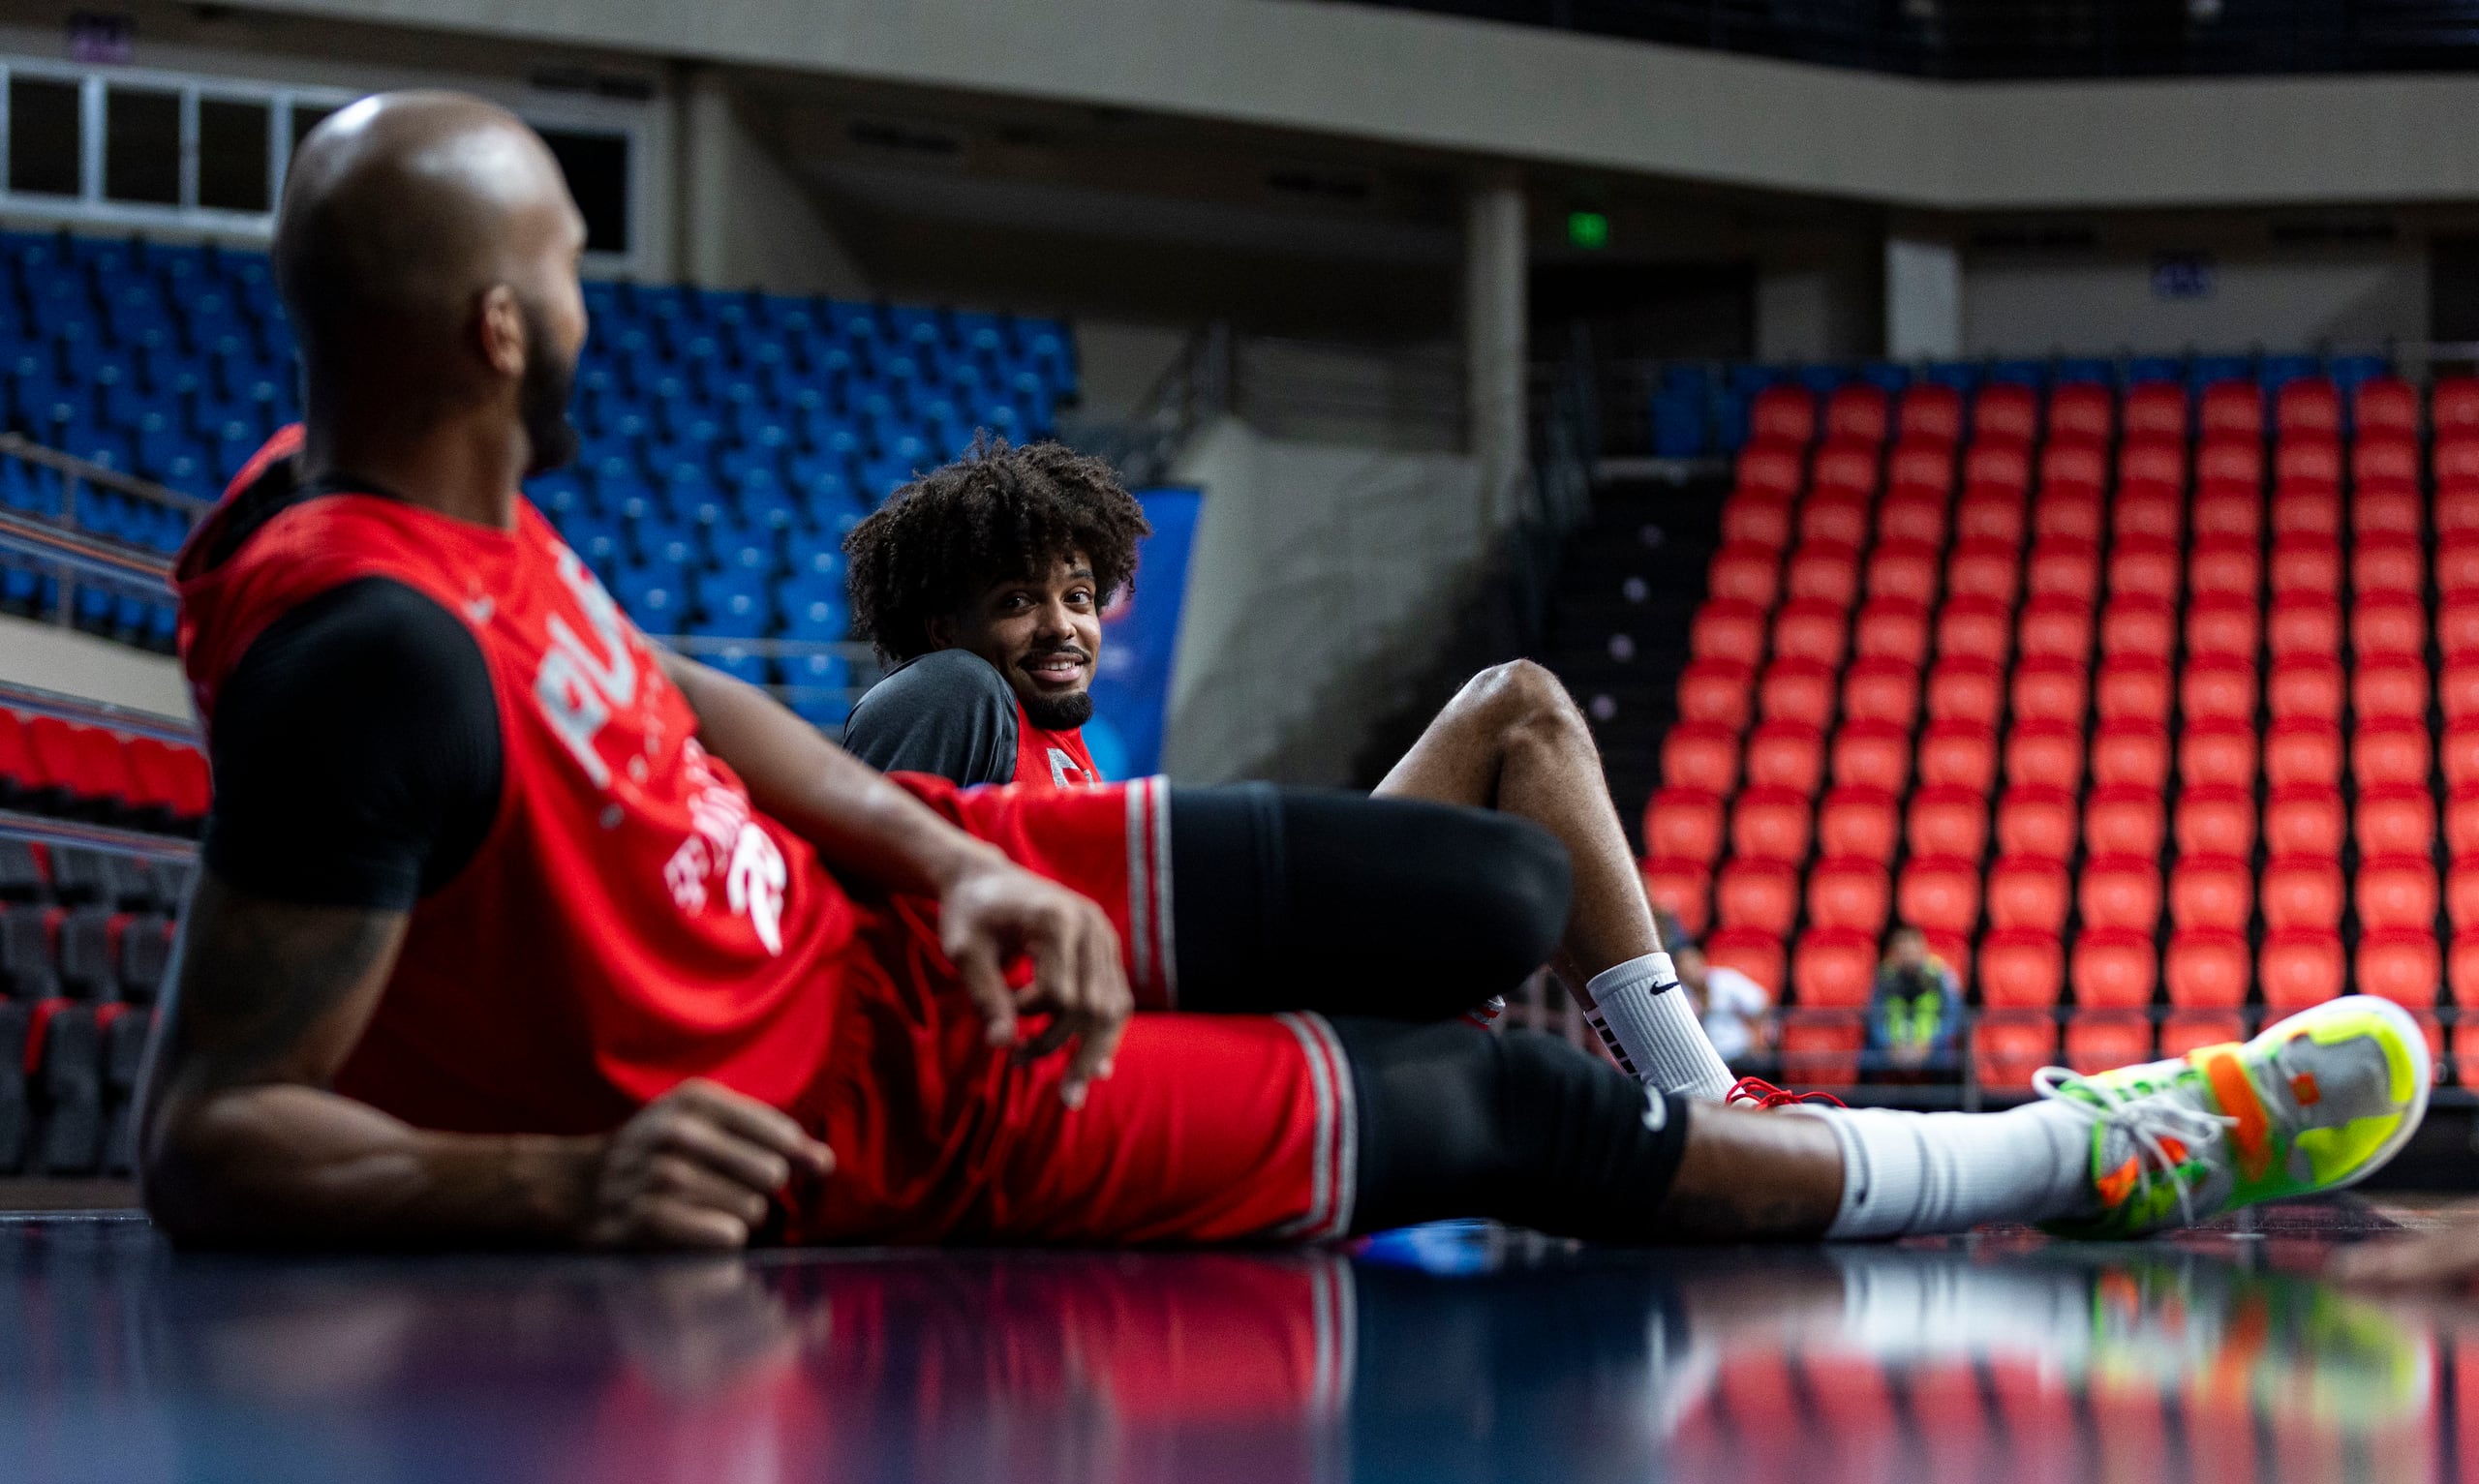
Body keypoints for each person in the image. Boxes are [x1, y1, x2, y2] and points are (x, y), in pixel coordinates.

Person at [137, 89, 2433, 1258]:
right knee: (1523, 1109)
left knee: (1490, 898)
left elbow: (680, 699)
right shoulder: (369, 654)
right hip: (898, 1106)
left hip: (904, 924)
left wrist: (949, 863)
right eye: (570, 262)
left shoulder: (431, 496)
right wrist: (570, 1178)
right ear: (498, 328)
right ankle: (2080, 1147)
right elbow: (205, 1137)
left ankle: (1720, 1121)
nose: (596, 304)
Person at [840, 439, 1732, 1097]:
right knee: (1517, 717)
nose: (1062, 626)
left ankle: (1700, 1092)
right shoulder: (952, 689)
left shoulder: (1064, 747)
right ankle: (1691, 1093)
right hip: (1162, 1066)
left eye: (1077, 596)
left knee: (1520, 713)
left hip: (1226, 1014)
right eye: (1017, 602)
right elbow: (850, 941)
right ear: (943, 627)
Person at [1864, 924, 1961, 1079]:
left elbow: (1953, 1015)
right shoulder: (1884, 976)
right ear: (1895, 953)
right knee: (1868, 1055)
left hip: (1932, 1045)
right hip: (1892, 1046)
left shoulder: (1940, 974)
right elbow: (1874, 1018)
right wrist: (1888, 1044)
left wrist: (1930, 1043)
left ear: (1923, 950)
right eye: (1903, 952)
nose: (1909, 957)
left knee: (1950, 1057)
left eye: (1912, 951)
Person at [1673, 942, 1772, 1069]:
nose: (1689, 968)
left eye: (1692, 962)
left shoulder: (1726, 980)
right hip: (1700, 1057)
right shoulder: (1677, 992)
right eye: (1684, 964)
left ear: (1702, 960)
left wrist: (1757, 1036)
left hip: (1738, 1051)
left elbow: (1760, 1001)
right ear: (1677, 970)